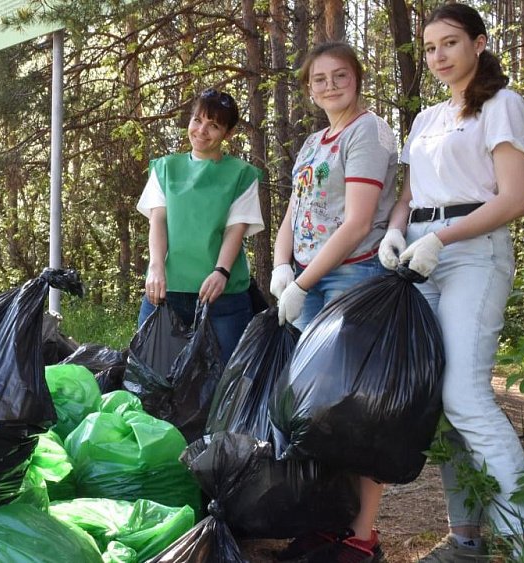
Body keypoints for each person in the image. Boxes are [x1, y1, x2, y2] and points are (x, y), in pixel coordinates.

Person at [378, 3, 524, 561]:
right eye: (429, 47)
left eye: (449, 43)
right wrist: (396, 232)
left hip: (472, 252)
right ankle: (466, 540)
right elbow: (408, 195)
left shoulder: (502, 106)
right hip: (418, 257)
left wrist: (440, 239)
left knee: (466, 397)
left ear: (478, 42)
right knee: (436, 402)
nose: (438, 56)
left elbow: (514, 199)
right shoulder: (425, 119)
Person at [269, 42, 397, 563]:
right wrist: (282, 267)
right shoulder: (313, 142)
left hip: (351, 278)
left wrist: (305, 282)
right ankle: (328, 520)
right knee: (315, 412)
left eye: (338, 76)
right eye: (318, 79)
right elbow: (294, 214)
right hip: (309, 278)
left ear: (357, 78)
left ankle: (363, 534)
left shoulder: (367, 132)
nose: (328, 86)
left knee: (355, 411)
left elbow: (359, 222)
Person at [136, 88, 264, 365]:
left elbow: (235, 229)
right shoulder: (166, 168)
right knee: (149, 375)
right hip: (165, 290)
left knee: (226, 382)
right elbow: (158, 220)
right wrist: (156, 266)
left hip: (222, 296)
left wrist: (221, 271)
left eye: (214, 125)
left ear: (227, 134)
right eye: (197, 120)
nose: (202, 130)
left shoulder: (241, 174)